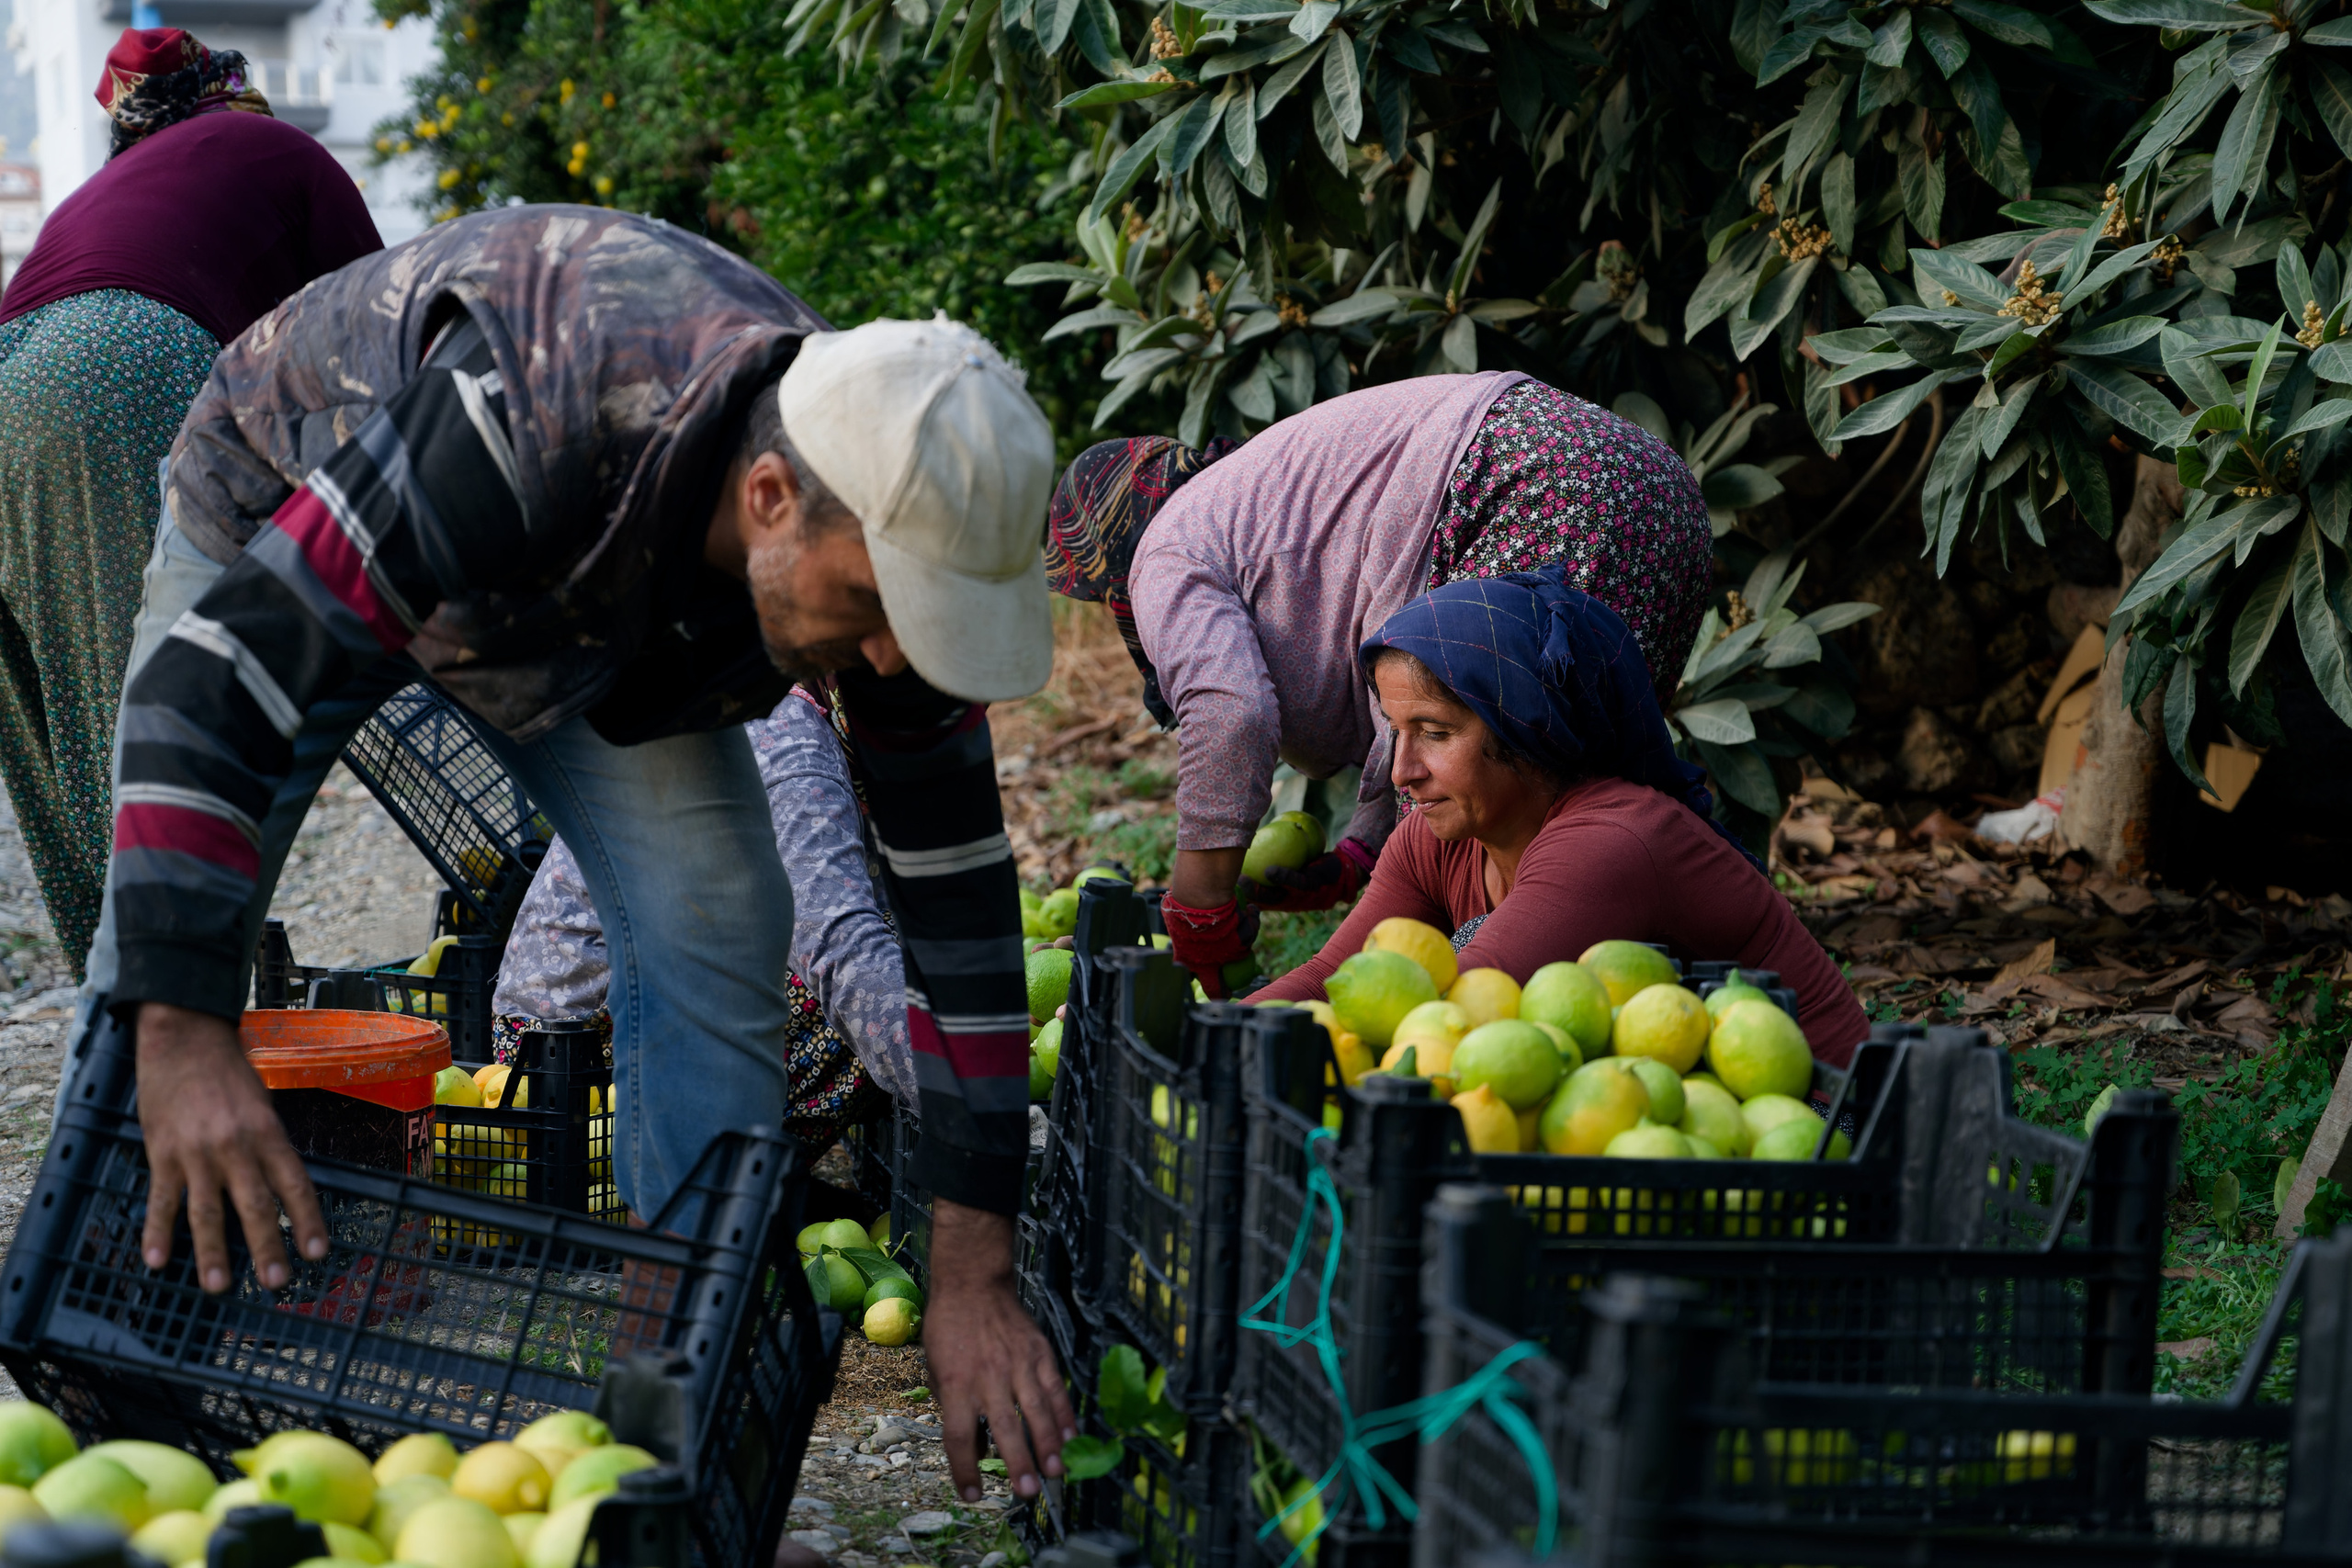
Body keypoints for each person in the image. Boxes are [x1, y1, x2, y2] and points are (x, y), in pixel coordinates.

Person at [79, 209, 1070, 1501]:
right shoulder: (536, 406)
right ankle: (102, 1359)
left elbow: (964, 913)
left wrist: (973, 1269)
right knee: (153, 953)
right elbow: (208, 689)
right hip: (296, 518)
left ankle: (673, 1433)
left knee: (721, 904)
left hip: (588, 612)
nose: (891, 660)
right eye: (875, 612)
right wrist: (187, 1029)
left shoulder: (889, 525)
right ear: (769, 500)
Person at [1045, 372, 1713, 997]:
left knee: (1520, 808)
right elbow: (1403, 686)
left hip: (1529, 479)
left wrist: (1197, 907)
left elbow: (1232, 714)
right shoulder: (1243, 498)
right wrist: (1367, 851)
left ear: (1108, 559)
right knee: (1587, 784)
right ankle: (1677, 989)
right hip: (1654, 486)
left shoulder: (1163, 548)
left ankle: (1502, 1010)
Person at [0, 26, 379, 971]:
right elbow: (380, 350)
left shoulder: (99, 192)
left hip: (12, 376)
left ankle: (124, 997)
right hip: (109, 370)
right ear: (234, 96)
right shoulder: (279, 151)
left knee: (58, 741)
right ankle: (176, 1007)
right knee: (157, 717)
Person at [1253, 570, 1869, 1062]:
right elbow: (1335, 975)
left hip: (1814, 1117)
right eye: (1397, 730)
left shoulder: (1610, 843)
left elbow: (1456, 1009)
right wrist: (1216, 1029)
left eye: (1435, 733)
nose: (1401, 771)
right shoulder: (1437, 838)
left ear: (1520, 728)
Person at [490, 683, 912, 1153]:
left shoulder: (773, 696)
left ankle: (731, 1178)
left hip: (553, 1037)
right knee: (892, 977)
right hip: (572, 1064)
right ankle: (732, 1180)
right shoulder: (796, 751)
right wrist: (976, 1102)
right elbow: (840, 947)